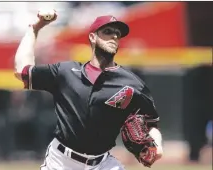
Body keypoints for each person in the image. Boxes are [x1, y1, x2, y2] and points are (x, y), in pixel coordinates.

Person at [14, 10, 163, 170]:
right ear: (92, 37)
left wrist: (158, 147)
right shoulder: (66, 72)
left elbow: (151, 123)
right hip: (61, 162)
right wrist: (34, 30)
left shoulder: (132, 83)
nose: (114, 36)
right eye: (107, 31)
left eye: (117, 34)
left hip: (103, 164)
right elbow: (22, 70)